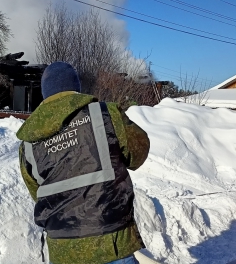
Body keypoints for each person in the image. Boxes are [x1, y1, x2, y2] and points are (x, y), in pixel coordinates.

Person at [16, 61, 150, 264]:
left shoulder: (28, 143)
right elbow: (138, 153)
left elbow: (38, 193)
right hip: (110, 242)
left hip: (63, 251)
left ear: (45, 94)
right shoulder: (105, 115)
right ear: (76, 88)